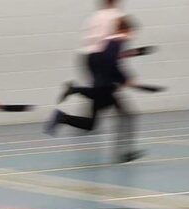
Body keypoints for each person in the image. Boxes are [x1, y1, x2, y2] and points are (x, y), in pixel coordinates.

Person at [45, 16, 145, 163]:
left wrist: (116, 75)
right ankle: (123, 153)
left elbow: (99, 59)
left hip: (103, 86)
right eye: (132, 31)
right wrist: (124, 79)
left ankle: (63, 115)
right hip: (106, 88)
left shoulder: (108, 42)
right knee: (128, 116)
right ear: (127, 30)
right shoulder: (117, 42)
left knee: (91, 124)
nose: (132, 35)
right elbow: (111, 62)